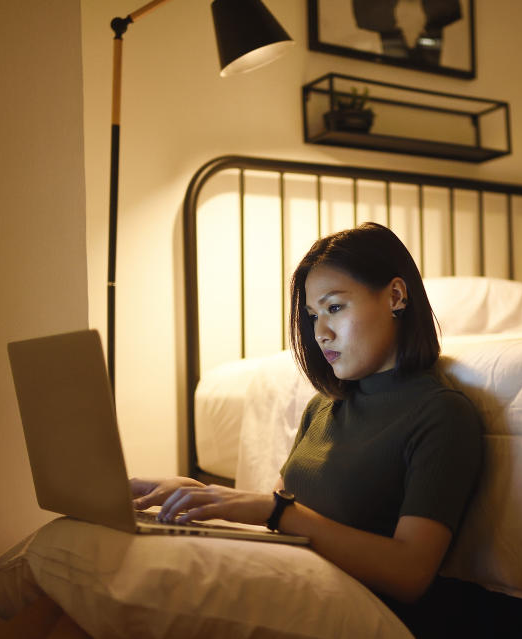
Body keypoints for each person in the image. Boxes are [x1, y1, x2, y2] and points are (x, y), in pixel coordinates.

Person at [131, 222, 484, 634]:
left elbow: (410, 574)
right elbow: (279, 518)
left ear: (396, 296)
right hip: (293, 589)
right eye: (314, 315)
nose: (320, 333)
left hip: (364, 617)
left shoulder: (440, 414)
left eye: (335, 308)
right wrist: (195, 496)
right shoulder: (323, 408)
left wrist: (279, 510)